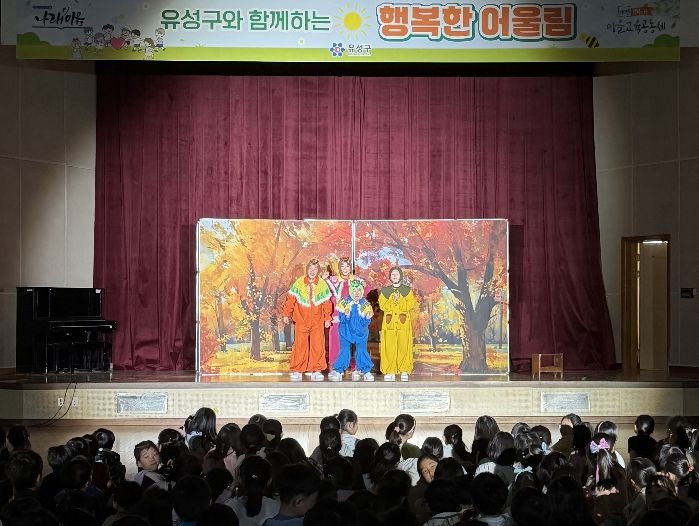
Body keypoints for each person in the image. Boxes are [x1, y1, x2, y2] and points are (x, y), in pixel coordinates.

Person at [283, 258, 333, 382]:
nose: (312, 271)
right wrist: (286, 314)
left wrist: (327, 318)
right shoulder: (299, 282)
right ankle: (298, 370)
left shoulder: (322, 284)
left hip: (317, 320)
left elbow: (327, 303)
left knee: (318, 345)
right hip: (301, 320)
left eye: (315, 269)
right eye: (310, 268)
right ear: (307, 270)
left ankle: (317, 370)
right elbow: (290, 300)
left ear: (318, 271)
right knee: (300, 345)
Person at [329, 279, 374, 382]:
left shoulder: (365, 304)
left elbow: (365, 323)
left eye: (359, 290)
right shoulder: (344, 302)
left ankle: (365, 371)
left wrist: (367, 318)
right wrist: (347, 316)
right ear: (350, 291)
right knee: (345, 349)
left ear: (362, 292)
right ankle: (339, 370)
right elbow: (342, 319)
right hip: (346, 330)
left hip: (360, 331)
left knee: (361, 349)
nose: (356, 293)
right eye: (354, 290)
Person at [378, 266, 418, 381]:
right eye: (392, 274)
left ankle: (404, 370)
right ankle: (389, 370)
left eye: (397, 273)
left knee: (403, 346)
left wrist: (399, 302)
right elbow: (383, 305)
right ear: (390, 277)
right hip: (389, 324)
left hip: (403, 323)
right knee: (389, 347)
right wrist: (393, 301)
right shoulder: (385, 291)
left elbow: (410, 304)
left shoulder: (407, 290)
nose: (394, 276)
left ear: (400, 276)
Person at [325, 257, 360, 372]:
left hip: (351, 317)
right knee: (335, 340)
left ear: (350, 268)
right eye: (342, 266)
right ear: (339, 268)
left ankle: (354, 366)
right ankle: (335, 366)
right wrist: (323, 277)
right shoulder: (334, 280)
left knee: (351, 342)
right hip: (337, 316)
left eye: (347, 266)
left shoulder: (355, 281)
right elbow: (322, 287)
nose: (345, 269)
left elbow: (364, 293)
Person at [225, 456, 279, 526]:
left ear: (240, 479)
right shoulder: (277, 508)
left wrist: (232, 487)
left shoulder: (230, 506)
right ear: (269, 481)